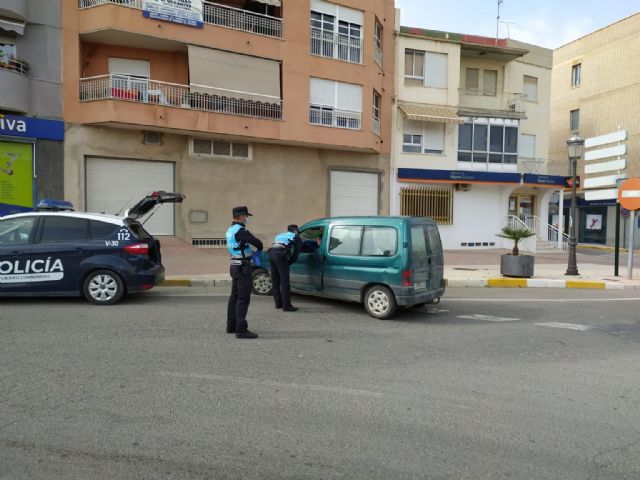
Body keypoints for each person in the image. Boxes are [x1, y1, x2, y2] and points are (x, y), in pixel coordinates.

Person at [226, 206, 263, 339]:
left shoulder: (230, 230)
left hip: (234, 266)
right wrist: (258, 249)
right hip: (242, 268)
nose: (247, 219)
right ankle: (241, 330)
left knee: (234, 297)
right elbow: (258, 242)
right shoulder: (241, 231)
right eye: (246, 216)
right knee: (243, 298)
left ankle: (231, 326)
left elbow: (239, 245)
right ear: (241, 216)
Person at [268, 224, 302, 312]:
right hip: (280, 255)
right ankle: (287, 306)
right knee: (284, 281)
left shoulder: (280, 235)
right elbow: (296, 253)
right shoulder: (296, 237)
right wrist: (288, 263)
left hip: (271, 254)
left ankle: (278, 304)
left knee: (275, 280)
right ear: (295, 231)